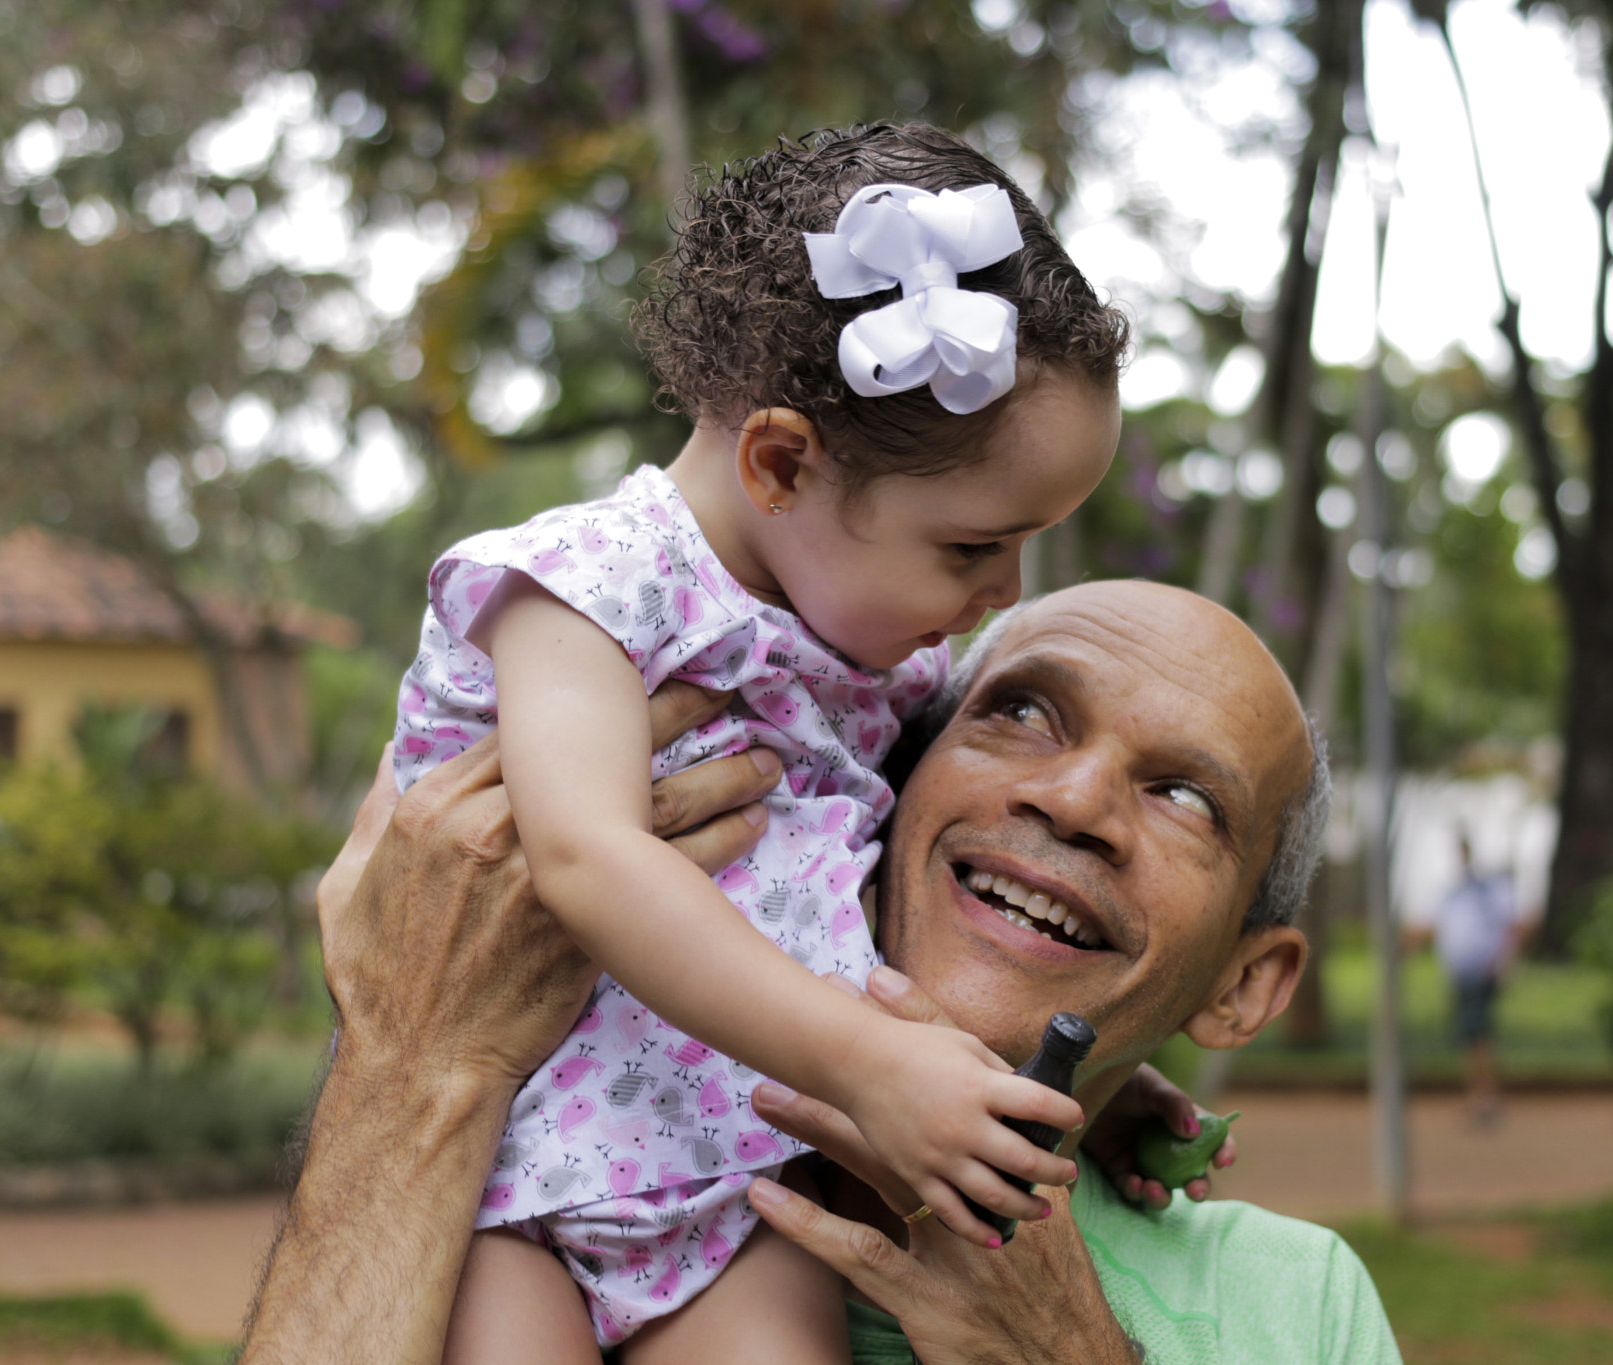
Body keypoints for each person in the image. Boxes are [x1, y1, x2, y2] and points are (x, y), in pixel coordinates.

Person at [242, 581, 1402, 1365]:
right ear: (880, 782)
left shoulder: (1292, 1307)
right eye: (1023, 712)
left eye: (1185, 797)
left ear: (1246, 984)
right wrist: (409, 1061)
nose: (1073, 800)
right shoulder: (529, 1179)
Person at [392, 124, 1125, 1361]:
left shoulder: (883, 656)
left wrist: (1076, 1083)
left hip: (738, 1192)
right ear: (780, 463)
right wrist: (870, 1069)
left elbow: (898, 903)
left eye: (1023, 545)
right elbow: (585, 860)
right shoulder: (587, 585)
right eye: (969, 546)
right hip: (505, 1182)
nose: (1002, 587)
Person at [1425, 835, 1528, 1124]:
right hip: (1462, 972)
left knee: (1478, 1035)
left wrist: (1503, 963)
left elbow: (1510, 927)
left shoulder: (1488, 889)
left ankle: (1485, 1097)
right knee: (1471, 1036)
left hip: (1481, 971)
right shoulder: (1455, 891)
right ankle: (1479, 1095)